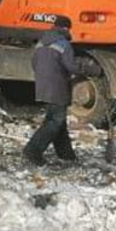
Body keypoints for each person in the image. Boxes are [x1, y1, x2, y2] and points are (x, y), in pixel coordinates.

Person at [24, 15, 83, 165]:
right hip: (57, 86)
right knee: (54, 121)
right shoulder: (64, 44)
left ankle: (66, 155)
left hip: (42, 85)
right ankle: (33, 150)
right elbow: (70, 66)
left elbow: (34, 62)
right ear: (65, 28)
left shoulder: (41, 42)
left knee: (58, 121)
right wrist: (87, 70)